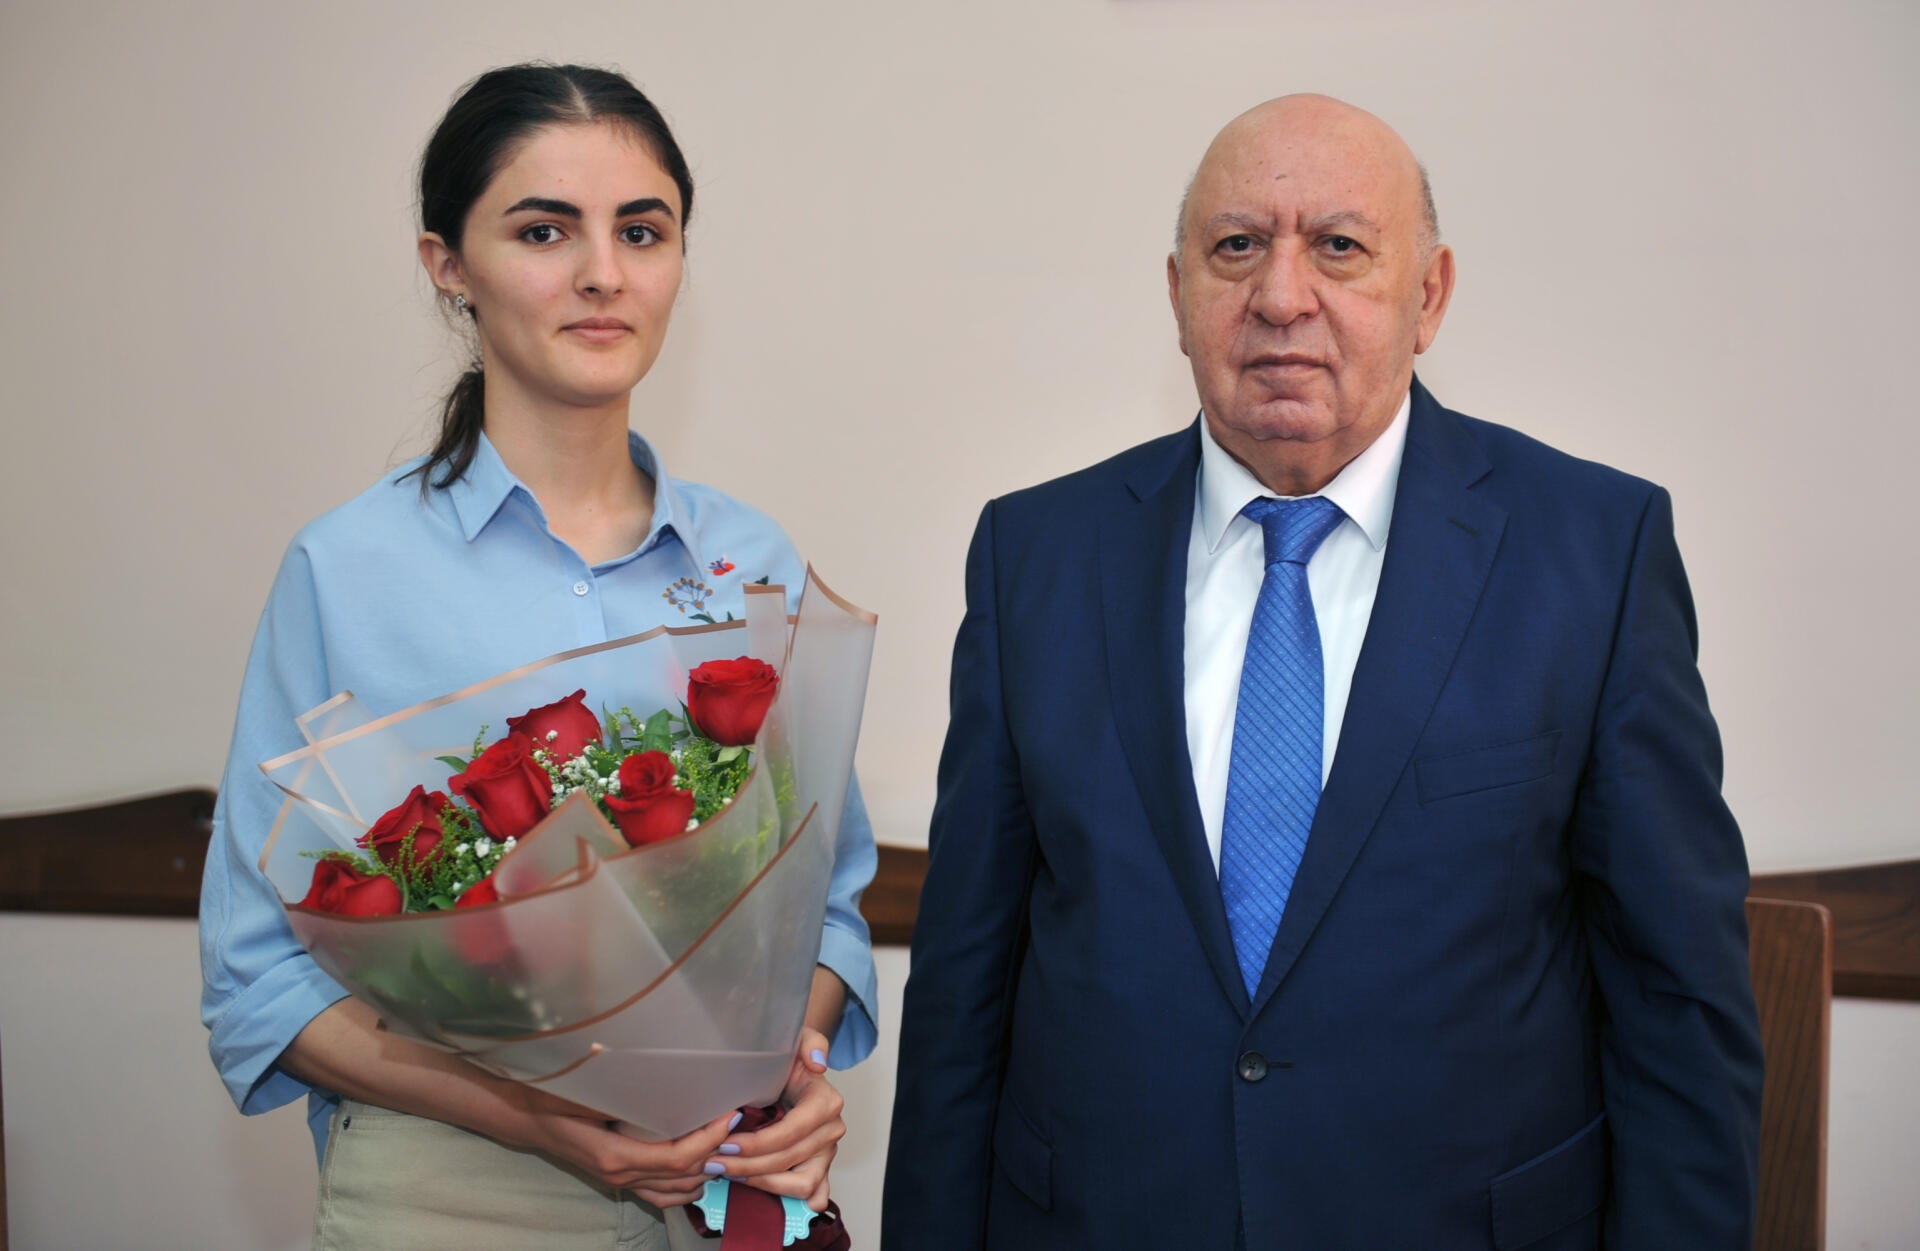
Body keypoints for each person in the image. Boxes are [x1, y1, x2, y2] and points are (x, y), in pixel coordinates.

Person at [884, 94, 1762, 1249]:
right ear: (1178, 294)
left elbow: (1676, 999)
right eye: (1236, 247)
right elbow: (964, 990)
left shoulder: (1593, 553)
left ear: (1429, 295)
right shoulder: (1035, 555)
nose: (1281, 296)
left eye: (1339, 246)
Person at [198, 64, 876, 1250]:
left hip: (725, 1177)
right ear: (447, 265)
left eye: (642, 231)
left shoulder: (754, 563)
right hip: (453, 1189)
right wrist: (534, 1116)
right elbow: (260, 976)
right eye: (544, 231)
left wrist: (792, 1063)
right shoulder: (348, 570)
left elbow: (825, 908)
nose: (604, 273)